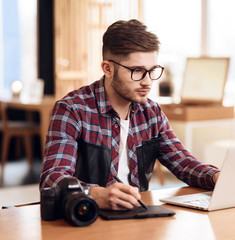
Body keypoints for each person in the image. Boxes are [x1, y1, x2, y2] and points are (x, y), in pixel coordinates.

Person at [40, 19, 220, 210]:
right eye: (137, 71)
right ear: (108, 69)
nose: (147, 82)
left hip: (137, 217)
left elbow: (183, 162)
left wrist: (217, 177)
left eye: (152, 71)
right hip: (87, 217)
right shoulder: (72, 109)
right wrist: (96, 194)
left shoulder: (152, 112)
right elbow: (52, 179)